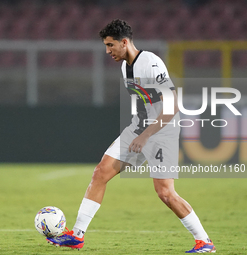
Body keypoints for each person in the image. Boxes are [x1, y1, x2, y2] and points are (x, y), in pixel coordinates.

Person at [47, 19, 216, 253]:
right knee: (100, 173)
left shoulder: (150, 63)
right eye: (106, 46)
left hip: (161, 131)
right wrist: (140, 131)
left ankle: (204, 242)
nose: (107, 51)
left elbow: (173, 105)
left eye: (110, 45)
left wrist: (146, 136)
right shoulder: (125, 66)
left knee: (165, 193)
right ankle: (77, 236)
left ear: (124, 42)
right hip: (138, 128)